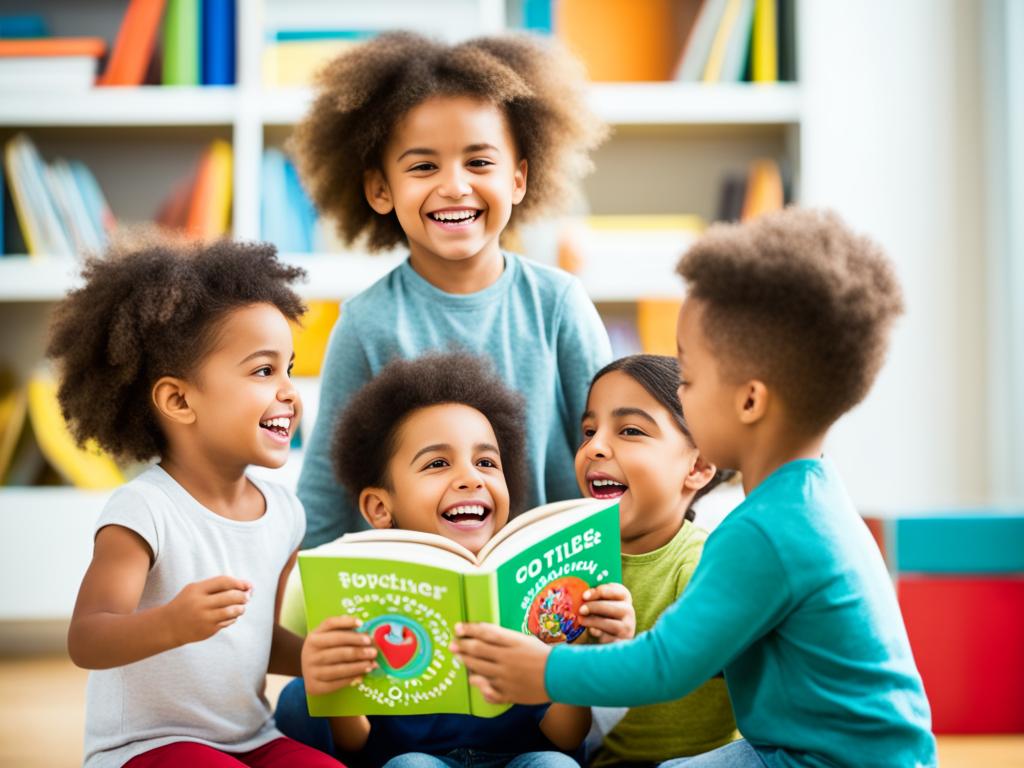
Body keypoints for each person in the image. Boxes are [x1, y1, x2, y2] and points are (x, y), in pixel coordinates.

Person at [453, 209, 938, 768]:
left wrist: (540, 670)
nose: (681, 394)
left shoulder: (763, 532)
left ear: (749, 401)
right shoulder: (812, 500)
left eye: (687, 380)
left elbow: (666, 668)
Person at [289, 31, 612, 549]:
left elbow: (609, 456)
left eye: (479, 162)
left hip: (554, 594)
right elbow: (326, 499)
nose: (455, 185)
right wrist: (297, 623)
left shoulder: (558, 304)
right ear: (380, 189)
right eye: (423, 166)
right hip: (419, 593)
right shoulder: (366, 323)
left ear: (519, 179)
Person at [52, 238, 342, 768]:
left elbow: (259, 640)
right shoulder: (143, 511)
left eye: (290, 369)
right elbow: (86, 639)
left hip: (252, 738)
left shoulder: (285, 515)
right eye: (262, 371)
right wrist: (172, 623)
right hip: (145, 747)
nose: (289, 392)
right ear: (179, 400)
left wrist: (316, 658)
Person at [275, 352, 635, 768]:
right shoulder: (361, 588)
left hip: (521, 758)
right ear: (378, 507)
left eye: (486, 462)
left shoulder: (526, 582)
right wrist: (330, 684)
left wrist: (580, 652)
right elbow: (356, 745)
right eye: (438, 463)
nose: (471, 477)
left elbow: (565, 737)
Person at [575, 355, 737, 766]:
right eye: (589, 431)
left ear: (697, 466)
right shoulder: (570, 560)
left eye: (630, 430)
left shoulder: (705, 563)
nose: (594, 447)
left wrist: (626, 650)